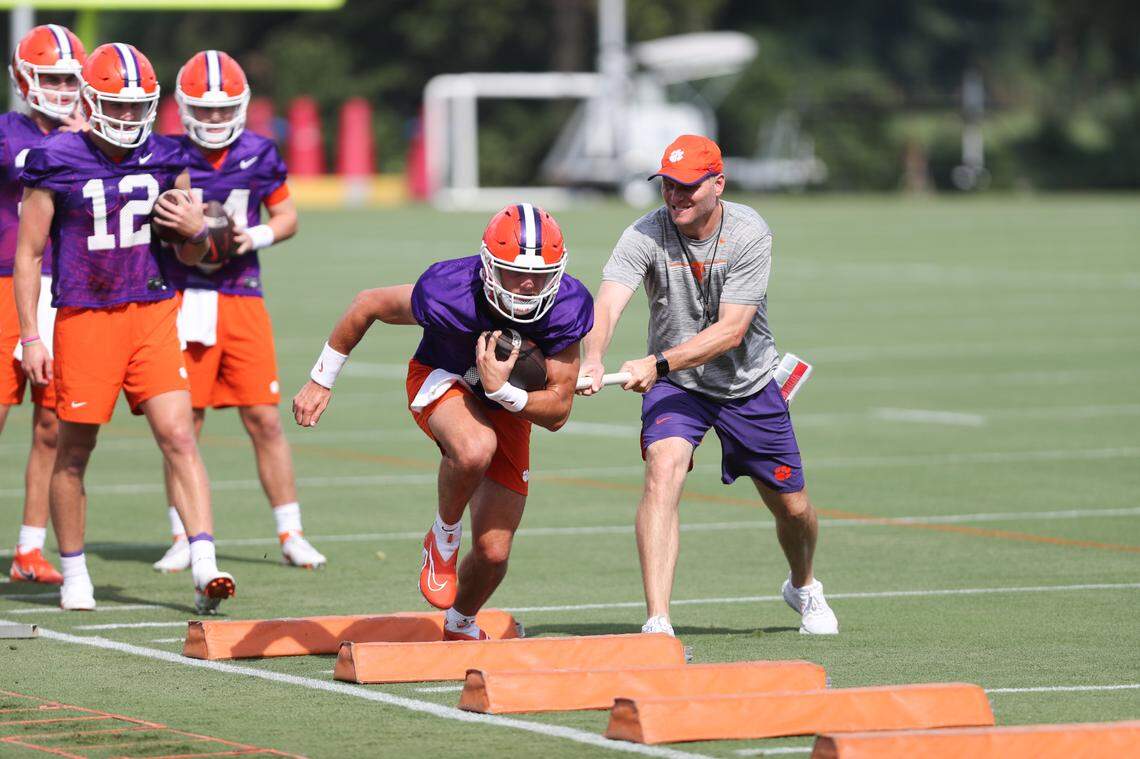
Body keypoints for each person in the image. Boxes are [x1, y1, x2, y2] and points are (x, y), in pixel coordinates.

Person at [292, 204, 592, 640]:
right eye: (515, 272)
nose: (529, 285)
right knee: (474, 447)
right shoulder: (449, 288)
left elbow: (558, 411)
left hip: (509, 403)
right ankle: (443, 537)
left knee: (493, 553)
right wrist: (321, 379)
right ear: (489, 265)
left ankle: (460, 623)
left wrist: (504, 390)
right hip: (441, 377)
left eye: (541, 275)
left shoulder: (567, 304)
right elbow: (368, 304)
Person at [579, 135, 838, 635]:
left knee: (793, 506)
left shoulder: (749, 233)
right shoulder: (644, 234)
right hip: (679, 386)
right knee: (663, 470)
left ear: (717, 184)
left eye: (687, 188)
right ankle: (658, 621)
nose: (675, 197)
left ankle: (803, 585)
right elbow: (608, 301)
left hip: (747, 382)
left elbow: (730, 331)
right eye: (668, 187)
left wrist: (657, 363)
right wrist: (593, 357)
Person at [14, 43, 235, 612]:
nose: (131, 117)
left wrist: (195, 231)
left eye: (140, 107)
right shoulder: (55, 157)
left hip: (154, 310)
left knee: (180, 435)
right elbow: (29, 254)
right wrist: (31, 334)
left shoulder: (166, 157)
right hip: (85, 316)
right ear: (92, 101)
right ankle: (74, 571)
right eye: (119, 105)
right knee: (74, 451)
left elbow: (193, 257)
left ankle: (205, 563)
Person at [151, 50, 326, 573]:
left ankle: (290, 530)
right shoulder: (167, 156)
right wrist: (191, 238)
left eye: (224, 109)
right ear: (183, 109)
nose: (213, 119)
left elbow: (288, 215)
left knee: (264, 420)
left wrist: (253, 235)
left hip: (241, 294)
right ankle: (183, 533)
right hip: (182, 296)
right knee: (185, 423)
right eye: (203, 110)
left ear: (243, 107)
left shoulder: (260, 152)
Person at [1, 24, 85, 585]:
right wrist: (82, 141)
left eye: (66, 77)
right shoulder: (9, 131)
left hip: (70, 290)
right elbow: (29, 163)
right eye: (49, 76)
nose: (58, 87)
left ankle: (30, 548)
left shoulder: (89, 135)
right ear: (23, 78)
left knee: (53, 423)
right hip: (8, 283)